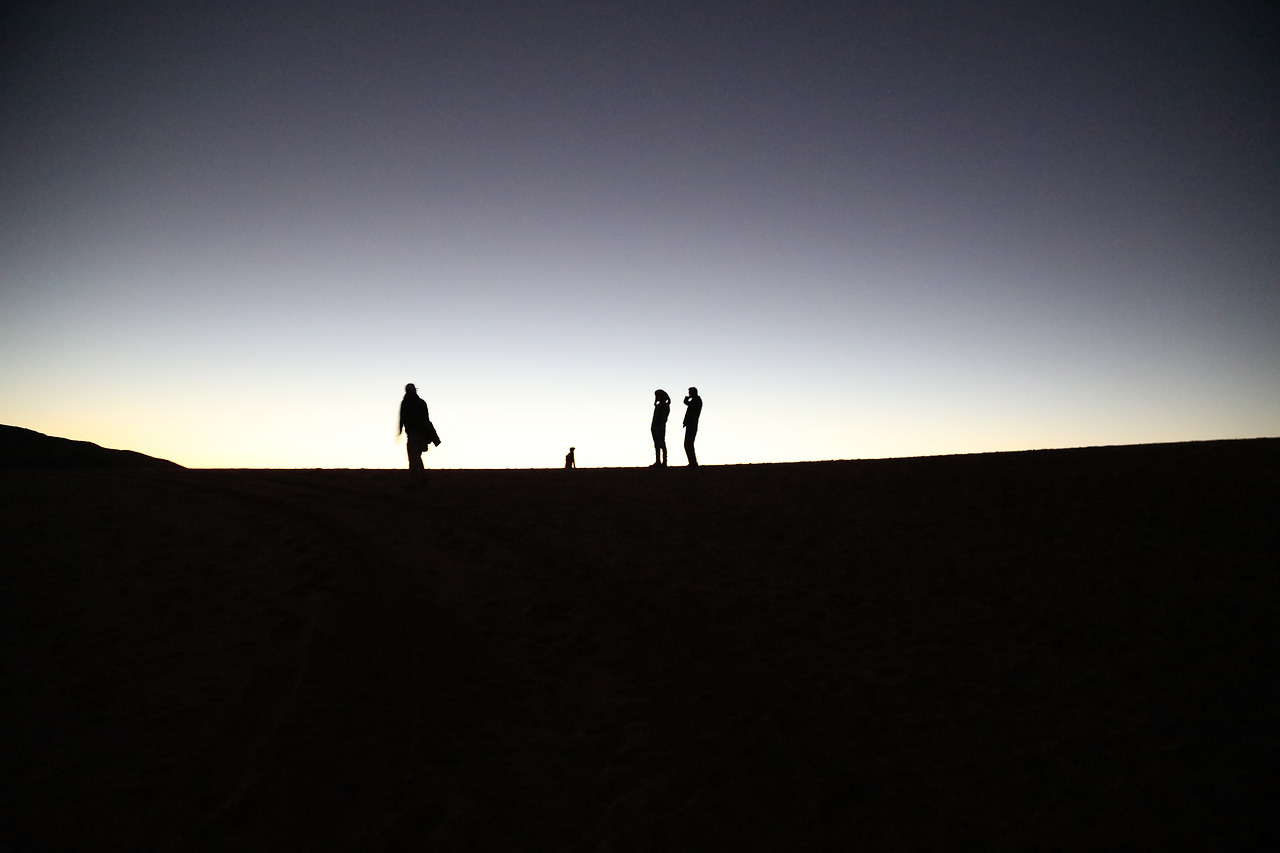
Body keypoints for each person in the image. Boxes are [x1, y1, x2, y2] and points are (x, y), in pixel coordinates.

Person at [397, 383, 439, 479]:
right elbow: (426, 419)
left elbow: (402, 418)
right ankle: (421, 477)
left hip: (413, 434)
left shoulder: (405, 403)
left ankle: (417, 479)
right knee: (416, 456)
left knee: (413, 457)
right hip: (421, 434)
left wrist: (400, 430)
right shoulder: (421, 402)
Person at [650, 389, 671, 467]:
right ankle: (658, 461)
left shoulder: (664, 406)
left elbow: (662, 418)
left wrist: (659, 425)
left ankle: (664, 462)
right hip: (655, 427)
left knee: (661, 443)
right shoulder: (660, 406)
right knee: (657, 444)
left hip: (659, 427)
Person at [683, 386, 702, 466]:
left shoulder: (696, 400)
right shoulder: (695, 400)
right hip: (691, 424)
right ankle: (692, 462)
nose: (689, 394)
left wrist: (686, 400)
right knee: (688, 443)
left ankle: (693, 462)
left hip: (692, 424)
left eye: (690, 392)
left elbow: (691, 408)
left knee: (688, 443)